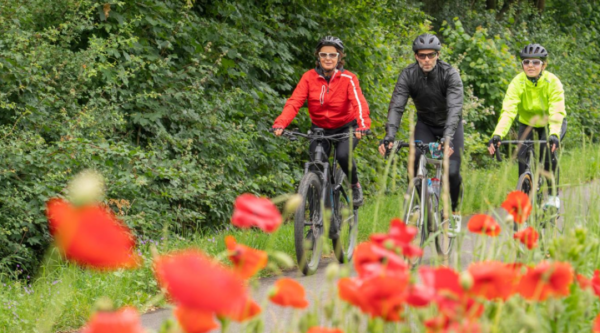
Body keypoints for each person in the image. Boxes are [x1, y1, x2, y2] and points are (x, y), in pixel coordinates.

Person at [379, 33, 464, 233]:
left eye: (431, 55)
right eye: (422, 55)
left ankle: (454, 212)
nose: (427, 59)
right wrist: (390, 135)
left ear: (438, 55)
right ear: (416, 56)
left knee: (452, 171)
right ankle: (421, 202)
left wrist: (448, 138)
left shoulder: (450, 74)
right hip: (425, 124)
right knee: (414, 158)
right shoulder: (408, 75)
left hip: (450, 126)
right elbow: (397, 107)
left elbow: (454, 108)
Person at [272, 36, 371, 206]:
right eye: (323, 54)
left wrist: (363, 125)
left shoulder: (348, 78)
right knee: (315, 167)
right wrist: (281, 123)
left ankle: (354, 184)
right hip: (320, 128)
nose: (328, 58)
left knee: (343, 154)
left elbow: (358, 102)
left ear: (339, 57)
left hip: (346, 127)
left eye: (332, 55)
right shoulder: (309, 77)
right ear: (318, 57)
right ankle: (314, 224)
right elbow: (295, 102)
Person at [488, 43, 567, 209]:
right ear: (522, 64)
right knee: (522, 158)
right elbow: (508, 111)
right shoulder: (517, 83)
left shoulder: (552, 82)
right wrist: (498, 135)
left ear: (543, 65)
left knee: (548, 154)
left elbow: (557, 110)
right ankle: (525, 197)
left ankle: (553, 197)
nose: (530, 66)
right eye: (526, 62)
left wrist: (554, 134)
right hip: (527, 122)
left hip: (551, 122)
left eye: (536, 62)